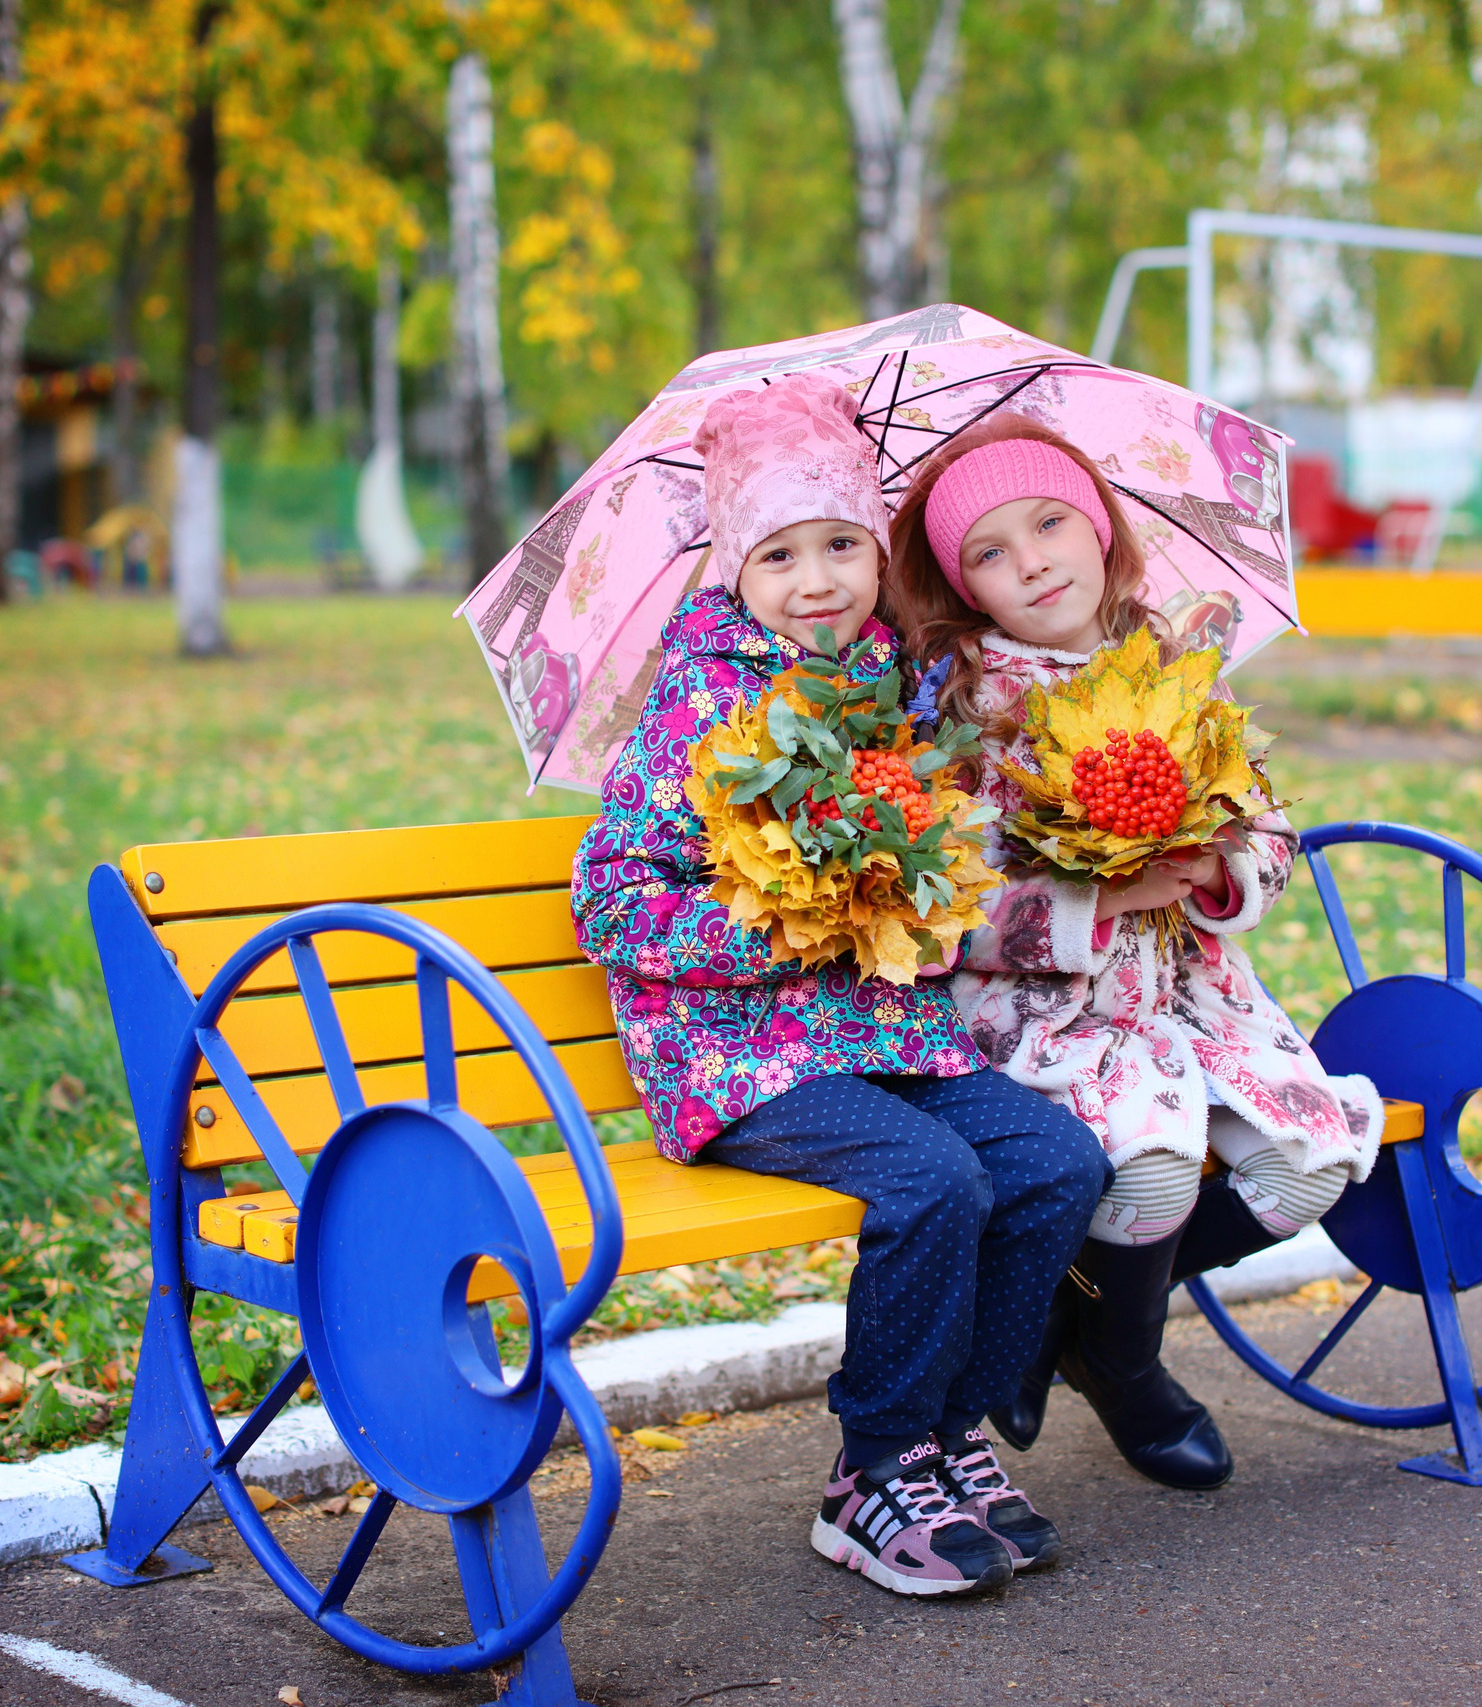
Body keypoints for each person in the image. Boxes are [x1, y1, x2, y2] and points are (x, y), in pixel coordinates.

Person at [570, 375, 1111, 1597]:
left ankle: (944, 1439)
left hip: (883, 1035)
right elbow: (609, 901)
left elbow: (940, 870)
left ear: (877, 551)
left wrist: (916, 885)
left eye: (841, 546)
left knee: (1053, 1162)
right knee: (932, 1179)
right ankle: (872, 1469)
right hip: (731, 1053)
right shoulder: (699, 694)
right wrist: (782, 922)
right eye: (778, 554)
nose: (815, 580)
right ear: (734, 567)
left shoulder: (897, 686)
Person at [884, 414, 1384, 1491]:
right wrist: (1095, 896)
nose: (1032, 561)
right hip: (1054, 1014)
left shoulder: (1176, 670)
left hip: (1194, 998)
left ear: (1100, 527)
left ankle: (1059, 1316)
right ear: (964, 585)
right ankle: (1129, 1367)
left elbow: (1270, 828)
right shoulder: (961, 709)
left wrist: (1216, 868)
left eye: (1050, 523)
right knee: (1153, 1167)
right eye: (990, 552)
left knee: (1309, 1167)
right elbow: (938, 907)